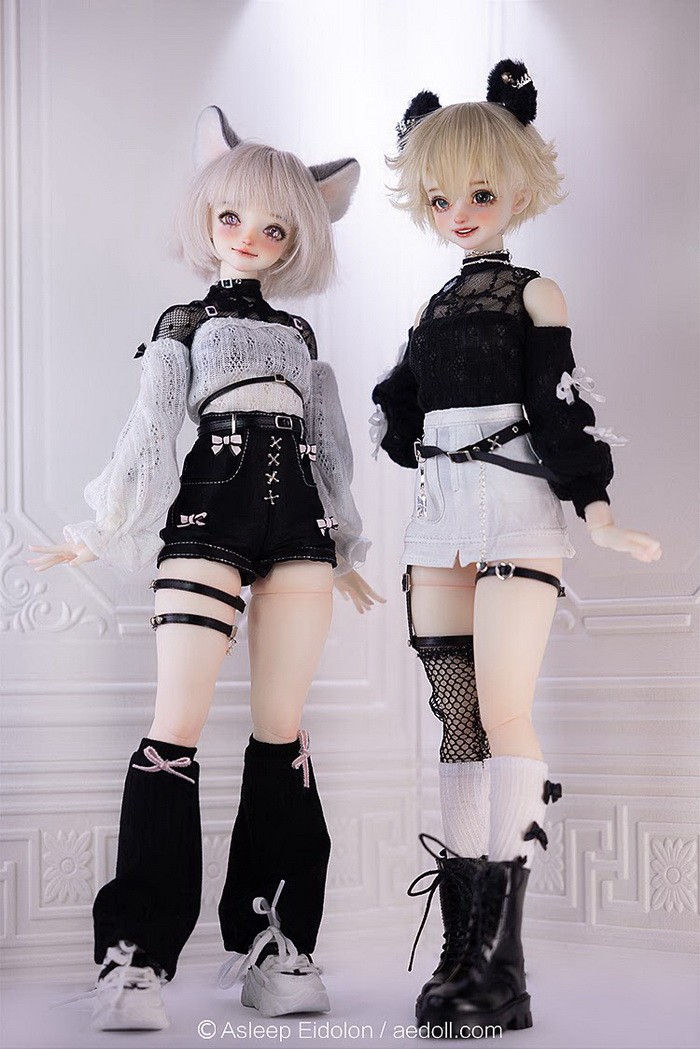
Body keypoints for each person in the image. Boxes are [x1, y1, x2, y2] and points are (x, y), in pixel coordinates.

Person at [28, 105, 381, 1030]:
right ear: (208, 216)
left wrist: (345, 545)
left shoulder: (301, 339)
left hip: (300, 528)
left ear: (299, 237)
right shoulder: (184, 322)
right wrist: (102, 525)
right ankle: (136, 955)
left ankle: (273, 940)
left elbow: (328, 445)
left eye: (276, 227)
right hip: (207, 513)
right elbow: (150, 429)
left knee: (281, 731)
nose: (251, 238)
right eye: (233, 217)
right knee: (173, 727)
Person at [372, 60, 661, 1036]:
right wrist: (396, 416)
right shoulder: (432, 308)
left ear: (520, 189)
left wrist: (596, 507)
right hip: (438, 521)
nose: (459, 213)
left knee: (503, 711)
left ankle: (502, 960)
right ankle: (464, 947)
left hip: (514, 512)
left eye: (481, 195)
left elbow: (558, 405)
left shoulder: (536, 293)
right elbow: (400, 408)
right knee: (456, 721)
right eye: (441, 198)